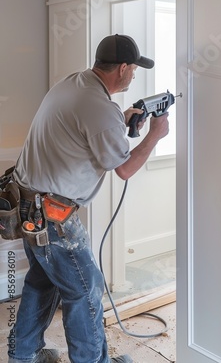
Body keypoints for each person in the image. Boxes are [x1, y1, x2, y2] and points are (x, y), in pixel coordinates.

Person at [8, 34, 169, 363]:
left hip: (26, 204)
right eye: (134, 68)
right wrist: (154, 134)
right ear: (122, 68)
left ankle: (23, 356)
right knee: (85, 291)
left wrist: (120, 122)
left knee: (42, 283)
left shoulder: (76, 83)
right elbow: (124, 170)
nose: (136, 74)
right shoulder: (99, 107)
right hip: (53, 217)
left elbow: (85, 131)